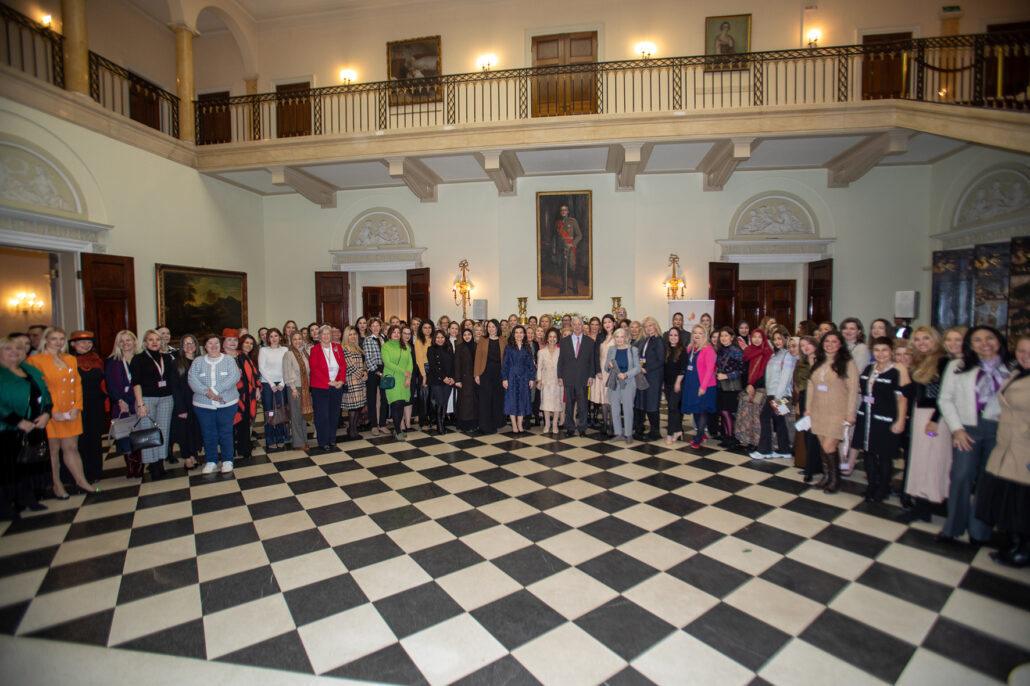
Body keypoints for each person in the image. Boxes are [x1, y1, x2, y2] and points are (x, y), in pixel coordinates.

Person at [936, 325, 1011, 545]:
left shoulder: (1011, 368)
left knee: (989, 482)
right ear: (970, 344)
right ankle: (953, 527)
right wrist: (957, 428)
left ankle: (980, 531)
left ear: (999, 340)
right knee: (960, 477)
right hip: (966, 428)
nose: (984, 343)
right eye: (977, 340)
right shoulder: (957, 366)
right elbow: (945, 399)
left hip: (999, 430)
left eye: (989, 338)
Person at [976, 335, 1030, 567]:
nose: (1025, 356)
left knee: (1022, 501)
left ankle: (1023, 550)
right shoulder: (1017, 373)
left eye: (1029, 352)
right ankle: (1014, 543)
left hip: (1025, 447)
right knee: (1008, 499)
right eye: (1021, 351)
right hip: (1007, 444)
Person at [27, 327, 96, 497]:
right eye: (54, 338)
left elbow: (77, 385)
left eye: (61, 339)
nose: (57, 342)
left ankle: (81, 481)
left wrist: (77, 407)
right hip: (50, 411)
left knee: (71, 447)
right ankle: (57, 485)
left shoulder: (69, 359)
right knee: (52, 449)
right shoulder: (35, 361)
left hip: (71, 409)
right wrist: (53, 411)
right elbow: (39, 389)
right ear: (46, 340)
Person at [897, 327, 951, 523]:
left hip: (935, 418)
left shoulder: (944, 362)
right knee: (920, 459)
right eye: (918, 340)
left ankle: (930, 502)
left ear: (935, 340)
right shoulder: (920, 362)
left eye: (926, 338)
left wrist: (935, 420)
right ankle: (922, 503)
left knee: (933, 460)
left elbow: (946, 395)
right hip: (919, 414)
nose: (922, 343)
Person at [853, 337, 910, 501]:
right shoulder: (870, 368)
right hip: (867, 416)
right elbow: (861, 389)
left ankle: (883, 488)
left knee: (885, 455)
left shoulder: (898, 370)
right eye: (877, 350)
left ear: (891, 351)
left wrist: (900, 420)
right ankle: (871, 486)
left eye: (884, 350)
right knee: (868, 453)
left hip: (886, 418)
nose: (880, 354)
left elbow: (902, 398)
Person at [0, 335, 51, 517]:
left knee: (28, 463)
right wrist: (18, 421)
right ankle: (4, 504)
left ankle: (27, 498)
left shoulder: (30, 370)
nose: (15, 352)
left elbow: (45, 392)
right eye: (8, 349)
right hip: (8, 429)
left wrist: (47, 413)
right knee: (7, 467)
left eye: (19, 349)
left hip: (35, 425)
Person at [804, 331, 859, 494]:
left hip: (837, 412)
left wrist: (851, 413)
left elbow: (853, 390)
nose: (830, 344)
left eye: (834, 341)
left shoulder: (847, 364)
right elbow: (811, 387)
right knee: (823, 445)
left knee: (829, 445)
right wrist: (808, 409)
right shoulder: (818, 361)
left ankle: (836, 479)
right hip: (818, 410)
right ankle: (826, 477)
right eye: (827, 341)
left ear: (840, 344)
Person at [189, 333, 240, 473]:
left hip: (227, 403)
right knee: (208, 433)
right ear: (205, 346)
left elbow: (234, 376)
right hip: (203, 405)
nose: (213, 346)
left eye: (216, 343)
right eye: (210, 343)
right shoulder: (198, 361)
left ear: (221, 345)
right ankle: (211, 460)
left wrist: (215, 390)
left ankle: (228, 460)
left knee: (226, 432)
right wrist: (207, 393)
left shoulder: (229, 360)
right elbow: (192, 380)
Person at [131, 329, 177, 480]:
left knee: (163, 431)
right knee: (149, 432)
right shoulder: (138, 359)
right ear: (145, 342)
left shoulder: (167, 358)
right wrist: (140, 404)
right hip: (147, 399)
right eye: (151, 340)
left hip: (166, 398)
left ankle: (160, 462)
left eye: (157, 339)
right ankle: (152, 464)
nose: (155, 342)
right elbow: (136, 383)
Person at [753, 326, 796, 460]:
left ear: (786, 338)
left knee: (764, 417)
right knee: (780, 420)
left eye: (780, 338)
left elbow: (786, 377)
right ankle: (784, 449)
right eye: (775, 339)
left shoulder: (788, 355)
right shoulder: (775, 354)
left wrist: (778, 397)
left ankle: (764, 450)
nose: (777, 341)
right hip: (773, 393)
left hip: (779, 396)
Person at [69, 330, 106, 481]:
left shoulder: (97, 360)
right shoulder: (67, 361)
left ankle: (95, 472)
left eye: (89, 342)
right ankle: (79, 473)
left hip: (96, 405)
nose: (86, 345)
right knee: (79, 440)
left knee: (95, 438)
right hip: (76, 406)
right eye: (82, 342)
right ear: (72, 344)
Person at [106, 330, 141, 479]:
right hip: (121, 404)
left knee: (139, 434)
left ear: (134, 341)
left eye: (128, 340)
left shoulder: (140, 359)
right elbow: (110, 384)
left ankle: (139, 465)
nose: (125, 344)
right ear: (117, 343)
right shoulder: (112, 361)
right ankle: (130, 466)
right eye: (122, 341)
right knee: (125, 435)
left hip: (138, 401)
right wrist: (120, 401)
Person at [308, 324, 346, 451]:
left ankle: (332, 439)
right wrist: (328, 381)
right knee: (322, 415)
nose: (326, 336)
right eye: (323, 334)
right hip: (320, 387)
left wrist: (341, 380)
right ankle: (323, 441)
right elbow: (314, 369)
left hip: (336, 387)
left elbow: (343, 365)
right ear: (319, 336)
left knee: (334, 414)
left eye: (328, 334)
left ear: (331, 335)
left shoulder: (337, 347)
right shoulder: (315, 350)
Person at [558, 317, 596, 437]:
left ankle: (582, 428)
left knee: (583, 405)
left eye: (580, 324)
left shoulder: (590, 341)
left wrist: (591, 376)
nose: (577, 326)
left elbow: (592, 361)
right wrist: (560, 376)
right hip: (568, 377)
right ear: (572, 326)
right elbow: (561, 360)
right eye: (575, 324)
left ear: (583, 325)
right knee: (569, 405)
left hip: (583, 377)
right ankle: (570, 427)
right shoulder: (564, 341)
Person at [225, 331, 260, 462]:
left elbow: (254, 374)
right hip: (228, 395)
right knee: (230, 423)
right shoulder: (221, 357)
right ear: (224, 342)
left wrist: (257, 388)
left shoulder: (242, 356)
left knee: (244, 422)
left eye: (235, 340)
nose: (233, 343)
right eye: (230, 340)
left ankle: (244, 448)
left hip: (246, 395)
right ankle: (230, 449)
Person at [735, 329, 772, 451]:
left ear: (763, 339)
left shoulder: (767, 353)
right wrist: (747, 385)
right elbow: (743, 370)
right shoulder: (747, 352)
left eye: (759, 337)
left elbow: (766, 373)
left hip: (760, 389)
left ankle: (756, 442)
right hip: (747, 388)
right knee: (745, 415)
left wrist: (753, 385)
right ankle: (745, 440)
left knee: (756, 417)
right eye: (754, 337)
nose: (756, 339)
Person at [169, 333, 202, 469]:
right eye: (186, 343)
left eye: (191, 343)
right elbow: (174, 387)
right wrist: (180, 408)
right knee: (184, 431)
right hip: (183, 402)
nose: (189, 346)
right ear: (182, 346)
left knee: (195, 429)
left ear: (196, 345)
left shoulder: (201, 361)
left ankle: (194, 454)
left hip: (199, 401)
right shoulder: (176, 363)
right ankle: (187, 457)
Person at [604, 327, 641, 444]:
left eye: (621, 337)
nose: (619, 339)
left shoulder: (633, 350)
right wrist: (609, 366)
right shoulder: (611, 349)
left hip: (628, 382)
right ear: (614, 338)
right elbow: (606, 367)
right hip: (614, 382)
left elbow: (637, 368)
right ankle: (618, 433)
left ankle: (628, 434)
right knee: (614, 408)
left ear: (625, 338)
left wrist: (626, 374)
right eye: (617, 337)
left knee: (628, 408)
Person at [795, 336, 822, 482]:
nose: (805, 348)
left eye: (808, 345)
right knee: (807, 433)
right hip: (805, 397)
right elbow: (800, 385)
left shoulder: (822, 362)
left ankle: (811, 469)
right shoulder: (802, 363)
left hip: (819, 399)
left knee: (815, 434)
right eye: (803, 345)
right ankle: (812, 465)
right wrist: (799, 402)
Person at [258, 328, 290, 451]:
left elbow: (287, 367)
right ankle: (270, 439)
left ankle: (280, 438)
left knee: (281, 410)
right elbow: (262, 368)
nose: (274, 338)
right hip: (268, 384)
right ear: (268, 338)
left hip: (282, 383)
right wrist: (271, 384)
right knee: (269, 411)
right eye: (271, 336)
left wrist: (282, 383)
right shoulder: (264, 350)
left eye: (276, 335)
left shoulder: (285, 350)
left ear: (280, 337)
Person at [634, 317, 665, 441]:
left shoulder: (658, 340)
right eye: (646, 326)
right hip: (644, 375)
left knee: (652, 403)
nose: (648, 328)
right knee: (645, 402)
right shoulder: (647, 340)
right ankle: (649, 429)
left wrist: (647, 369)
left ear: (655, 326)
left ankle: (655, 431)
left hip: (653, 376)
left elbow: (661, 360)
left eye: (650, 326)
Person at [715, 327, 745, 448]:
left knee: (727, 412)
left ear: (732, 337)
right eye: (721, 336)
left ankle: (731, 437)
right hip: (721, 386)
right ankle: (726, 436)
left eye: (726, 336)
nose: (723, 338)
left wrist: (727, 376)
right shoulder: (722, 350)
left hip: (731, 386)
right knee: (723, 411)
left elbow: (741, 370)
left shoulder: (736, 351)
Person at [381, 325, 413, 440]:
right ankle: (398, 430)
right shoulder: (386, 346)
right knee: (396, 404)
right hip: (393, 379)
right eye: (393, 332)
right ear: (389, 334)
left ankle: (397, 429)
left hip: (404, 380)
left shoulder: (405, 346)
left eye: (398, 332)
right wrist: (403, 371)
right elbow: (388, 363)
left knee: (401, 405)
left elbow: (410, 362)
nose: (396, 334)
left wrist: (408, 377)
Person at [502, 325, 535, 434]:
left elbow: (530, 364)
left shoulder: (527, 347)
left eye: (521, 332)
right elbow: (505, 364)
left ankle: (520, 424)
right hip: (511, 377)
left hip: (524, 377)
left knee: (522, 401)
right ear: (513, 334)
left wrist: (531, 378)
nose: (519, 334)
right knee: (512, 401)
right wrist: (505, 378)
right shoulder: (509, 347)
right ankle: (514, 425)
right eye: (517, 332)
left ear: (524, 334)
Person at [283, 331, 313, 451]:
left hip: (305, 388)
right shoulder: (289, 354)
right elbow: (287, 372)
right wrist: (293, 388)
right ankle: (298, 442)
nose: (297, 341)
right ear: (291, 340)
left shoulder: (305, 353)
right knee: (296, 416)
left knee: (303, 415)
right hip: (295, 388)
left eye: (299, 339)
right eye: (294, 339)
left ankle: (304, 440)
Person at [474, 319, 506, 434]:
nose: (491, 329)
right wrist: (476, 374)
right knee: (485, 399)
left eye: (493, 327)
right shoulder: (483, 340)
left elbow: (506, 359)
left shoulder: (503, 340)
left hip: (499, 373)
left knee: (497, 399)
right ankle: (485, 424)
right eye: (489, 327)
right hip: (485, 372)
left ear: (497, 328)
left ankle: (497, 422)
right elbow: (478, 357)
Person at [340, 326, 368, 440]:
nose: (353, 336)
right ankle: (352, 431)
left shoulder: (357, 348)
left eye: (354, 334)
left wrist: (365, 372)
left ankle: (353, 428)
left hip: (360, 381)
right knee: (353, 408)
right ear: (346, 336)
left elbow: (363, 364)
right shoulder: (345, 349)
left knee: (358, 407)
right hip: (352, 381)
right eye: (350, 334)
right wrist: (361, 375)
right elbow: (349, 366)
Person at [426, 330, 455, 434]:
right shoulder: (431, 349)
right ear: (434, 339)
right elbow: (433, 366)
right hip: (436, 380)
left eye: (442, 337)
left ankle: (442, 423)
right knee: (440, 402)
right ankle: (439, 426)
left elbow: (453, 364)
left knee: (445, 402)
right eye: (437, 337)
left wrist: (452, 377)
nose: (440, 339)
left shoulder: (449, 348)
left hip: (449, 380)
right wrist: (443, 377)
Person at [537, 328, 563, 436]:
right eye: (550, 337)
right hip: (546, 380)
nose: (552, 339)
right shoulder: (541, 352)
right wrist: (539, 380)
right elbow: (539, 368)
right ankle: (547, 424)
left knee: (557, 403)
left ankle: (555, 424)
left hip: (558, 380)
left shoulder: (561, 351)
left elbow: (564, 366)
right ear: (547, 338)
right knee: (546, 403)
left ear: (557, 339)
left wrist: (563, 378)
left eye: (554, 337)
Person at [594, 315, 617, 437]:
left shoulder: (618, 335)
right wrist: (597, 370)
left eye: (609, 322)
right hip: (602, 371)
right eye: (605, 322)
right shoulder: (600, 336)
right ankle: (605, 424)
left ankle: (613, 425)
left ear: (614, 323)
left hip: (613, 371)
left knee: (612, 399)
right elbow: (596, 354)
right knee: (603, 399)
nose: (607, 324)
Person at [363, 318, 387, 435]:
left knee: (384, 398)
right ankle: (374, 425)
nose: (375, 328)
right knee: (372, 399)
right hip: (374, 371)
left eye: (377, 325)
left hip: (385, 369)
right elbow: (368, 357)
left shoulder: (384, 338)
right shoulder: (368, 340)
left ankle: (382, 424)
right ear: (370, 328)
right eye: (373, 326)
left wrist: (385, 371)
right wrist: (378, 372)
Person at [551, 205, 582, 294]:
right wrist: (553, 247)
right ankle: (564, 287)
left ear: (568, 211)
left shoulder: (573, 221)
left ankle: (575, 287)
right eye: (562, 210)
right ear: (560, 212)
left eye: (565, 210)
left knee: (572, 267)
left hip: (570, 248)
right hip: (560, 248)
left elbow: (579, 235)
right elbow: (554, 236)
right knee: (562, 268)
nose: (563, 212)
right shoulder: (557, 223)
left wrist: (572, 244)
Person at [663, 326, 687, 443]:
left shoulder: (682, 351)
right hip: (667, 384)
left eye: (675, 335)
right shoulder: (666, 349)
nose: (673, 337)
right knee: (674, 409)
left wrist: (678, 383)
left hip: (677, 384)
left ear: (679, 337)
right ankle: (678, 430)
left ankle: (670, 433)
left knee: (672, 408)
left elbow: (682, 369)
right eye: (671, 335)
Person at [453, 328, 479, 432]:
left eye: (469, 334)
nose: (467, 336)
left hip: (475, 379)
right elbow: (457, 365)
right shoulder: (459, 348)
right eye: (465, 335)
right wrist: (457, 380)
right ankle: (464, 424)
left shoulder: (476, 346)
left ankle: (474, 423)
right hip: (464, 380)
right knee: (464, 404)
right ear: (462, 337)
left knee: (474, 403)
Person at [414, 320, 434, 430]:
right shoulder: (419, 341)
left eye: (429, 327)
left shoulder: (434, 339)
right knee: (424, 398)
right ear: (421, 329)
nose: (427, 330)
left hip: (433, 370)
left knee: (433, 398)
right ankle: (424, 422)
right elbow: (419, 359)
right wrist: (424, 375)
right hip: (424, 370)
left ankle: (433, 420)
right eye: (425, 327)